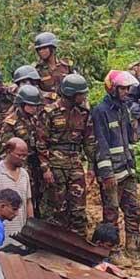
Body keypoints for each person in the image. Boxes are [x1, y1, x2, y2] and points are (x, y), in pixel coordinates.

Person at [91, 71, 140, 261]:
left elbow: (129, 139)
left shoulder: (124, 109)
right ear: (112, 88)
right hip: (112, 172)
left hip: (127, 170)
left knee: (133, 211)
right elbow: (101, 145)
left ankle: (133, 250)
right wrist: (106, 174)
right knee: (111, 213)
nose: (126, 92)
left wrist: (133, 167)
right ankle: (113, 251)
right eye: (122, 88)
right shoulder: (100, 111)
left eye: (127, 88)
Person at [36, 73, 96, 235]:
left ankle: (79, 245)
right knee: (58, 209)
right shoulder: (49, 112)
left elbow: (89, 141)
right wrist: (45, 169)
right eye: (81, 94)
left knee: (78, 209)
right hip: (55, 166)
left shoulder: (84, 113)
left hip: (75, 164)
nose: (83, 97)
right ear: (71, 94)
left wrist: (91, 167)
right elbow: (41, 142)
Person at [0, 85, 48, 215]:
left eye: (35, 106)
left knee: (39, 194)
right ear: (22, 104)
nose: (34, 108)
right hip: (21, 164)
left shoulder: (36, 120)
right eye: (30, 105)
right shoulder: (11, 122)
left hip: (36, 162)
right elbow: (6, 148)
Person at [33, 31, 73, 103]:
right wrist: (49, 95)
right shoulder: (36, 70)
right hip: (47, 107)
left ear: (52, 48)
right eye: (39, 49)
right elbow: (33, 90)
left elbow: (77, 84)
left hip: (67, 105)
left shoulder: (66, 66)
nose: (41, 51)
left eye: (45, 48)